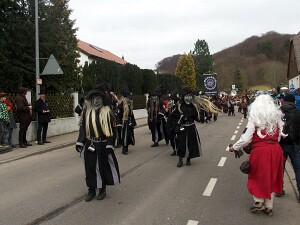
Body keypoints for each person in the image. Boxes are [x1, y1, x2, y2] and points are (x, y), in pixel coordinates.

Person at [229, 94, 285, 216]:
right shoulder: (276, 118)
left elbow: (246, 138)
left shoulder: (254, 118)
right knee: (271, 176)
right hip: (276, 150)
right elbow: (280, 137)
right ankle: (269, 207)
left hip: (260, 150)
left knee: (256, 176)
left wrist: (234, 147)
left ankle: (258, 202)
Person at [75, 79, 120, 202]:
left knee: (102, 167)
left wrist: (110, 145)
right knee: (89, 167)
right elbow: (83, 129)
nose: (96, 100)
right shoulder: (87, 113)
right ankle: (91, 189)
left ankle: (102, 189)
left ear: (103, 99)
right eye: (94, 97)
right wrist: (80, 142)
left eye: (99, 97)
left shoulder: (108, 113)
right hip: (90, 144)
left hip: (102, 144)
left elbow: (112, 131)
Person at [276, 94, 300, 201]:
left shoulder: (278, 112)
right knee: (298, 169)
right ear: (294, 102)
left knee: (280, 168)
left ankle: (279, 189)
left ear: (284, 101)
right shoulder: (298, 113)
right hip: (295, 145)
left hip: (280, 144)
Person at [173, 87, 202, 167]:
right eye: (186, 96)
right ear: (183, 96)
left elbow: (197, 117)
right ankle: (180, 160)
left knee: (191, 144)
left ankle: (188, 159)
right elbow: (174, 117)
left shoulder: (193, 106)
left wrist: (202, 118)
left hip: (191, 127)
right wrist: (180, 120)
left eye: (190, 96)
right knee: (181, 144)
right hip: (182, 128)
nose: (188, 97)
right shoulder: (179, 106)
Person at [116, 85, 136, 155]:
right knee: (123, 135)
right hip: (123, 122)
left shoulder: (129, 103)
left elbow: (131, 113)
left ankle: (126, 147)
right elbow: (118, 114)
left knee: (128, 135)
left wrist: (133, 122)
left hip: (128, 122)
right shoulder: (121, 104)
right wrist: (119, 123)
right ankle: (124, 148)